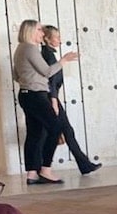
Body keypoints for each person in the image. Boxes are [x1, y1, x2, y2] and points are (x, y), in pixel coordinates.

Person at [12, 19, 78, 185]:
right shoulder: (30, 48)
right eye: (40, 30)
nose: (42, 33)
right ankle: (46, 169)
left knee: (34, 133)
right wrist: (64, 60)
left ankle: (32, 173)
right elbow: (48, 71)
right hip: (36, 95)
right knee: (55, 128)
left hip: (26, 94)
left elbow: (16, 75)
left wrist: (29, 80)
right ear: (31, 31)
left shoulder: (20, 49)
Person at [41, 25, 101, 176]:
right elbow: (50, 81)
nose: (60, 40)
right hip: (51, 98)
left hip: (52, 97)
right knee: (60, 131)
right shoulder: (48, 55)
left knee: (65, 131)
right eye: (57, 37)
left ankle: (84, 164)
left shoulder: (49, 54)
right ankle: (43, 167)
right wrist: (54, 100)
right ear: (47, 39)